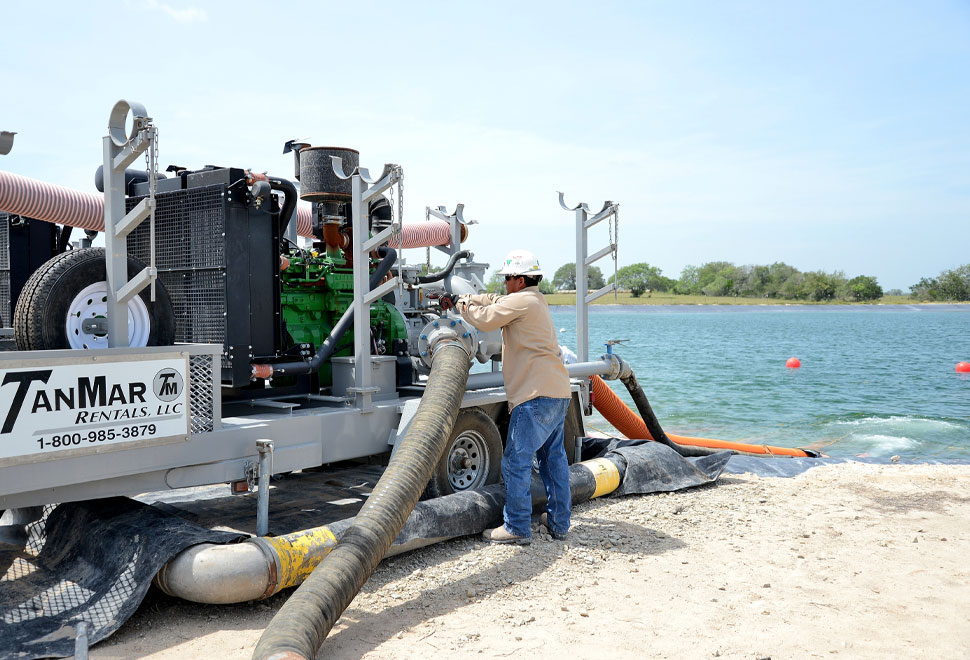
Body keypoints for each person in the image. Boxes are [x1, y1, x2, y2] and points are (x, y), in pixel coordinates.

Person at [453, 249, 572, 544]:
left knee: (515, 462)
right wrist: (473, 297)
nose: (505, 283)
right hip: (557, 391)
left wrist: (461, 305)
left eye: (508, 278)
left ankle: (517, 526)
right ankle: (559, 522)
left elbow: (485, 320)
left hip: (534, 396)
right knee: (553, 461)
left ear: (520, 279)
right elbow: (495, 300)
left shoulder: (520, 302)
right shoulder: (535, 300)